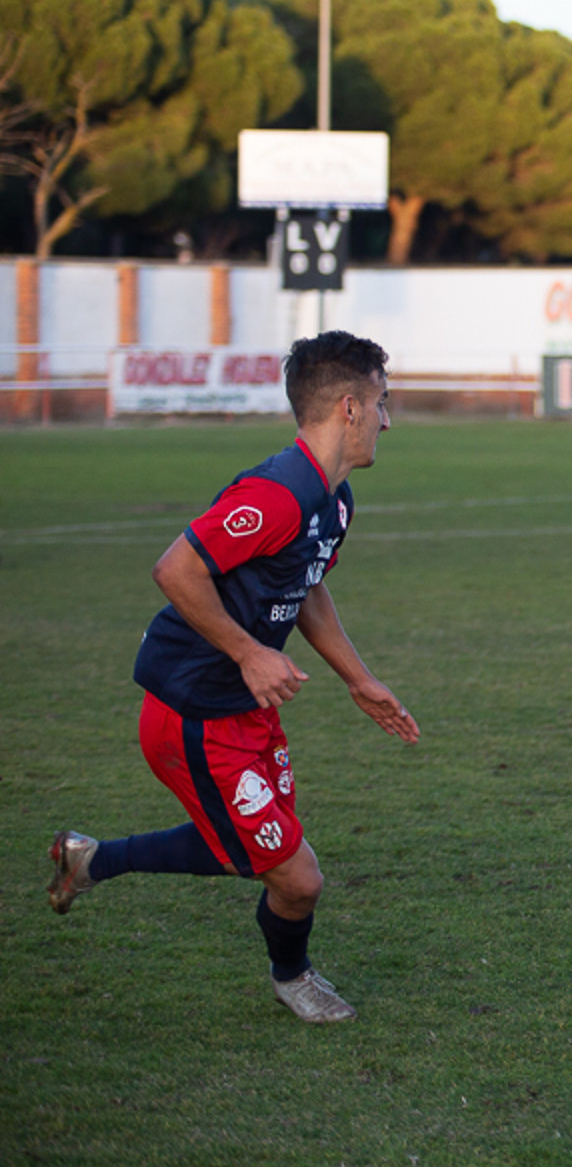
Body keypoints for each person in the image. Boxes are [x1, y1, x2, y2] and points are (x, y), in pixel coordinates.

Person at [46, 331, 421, 1023]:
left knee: (260, 844)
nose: (387, 421)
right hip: (192, 709)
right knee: (298, 877)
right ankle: (293, 978)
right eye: (381, 403)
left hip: (242, 706)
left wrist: (358, 679)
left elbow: (305, 587)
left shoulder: (334, 501)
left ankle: (89, 861)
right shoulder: (277, 494)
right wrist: (250, 652)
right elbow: (175, 570)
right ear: (349, 408)